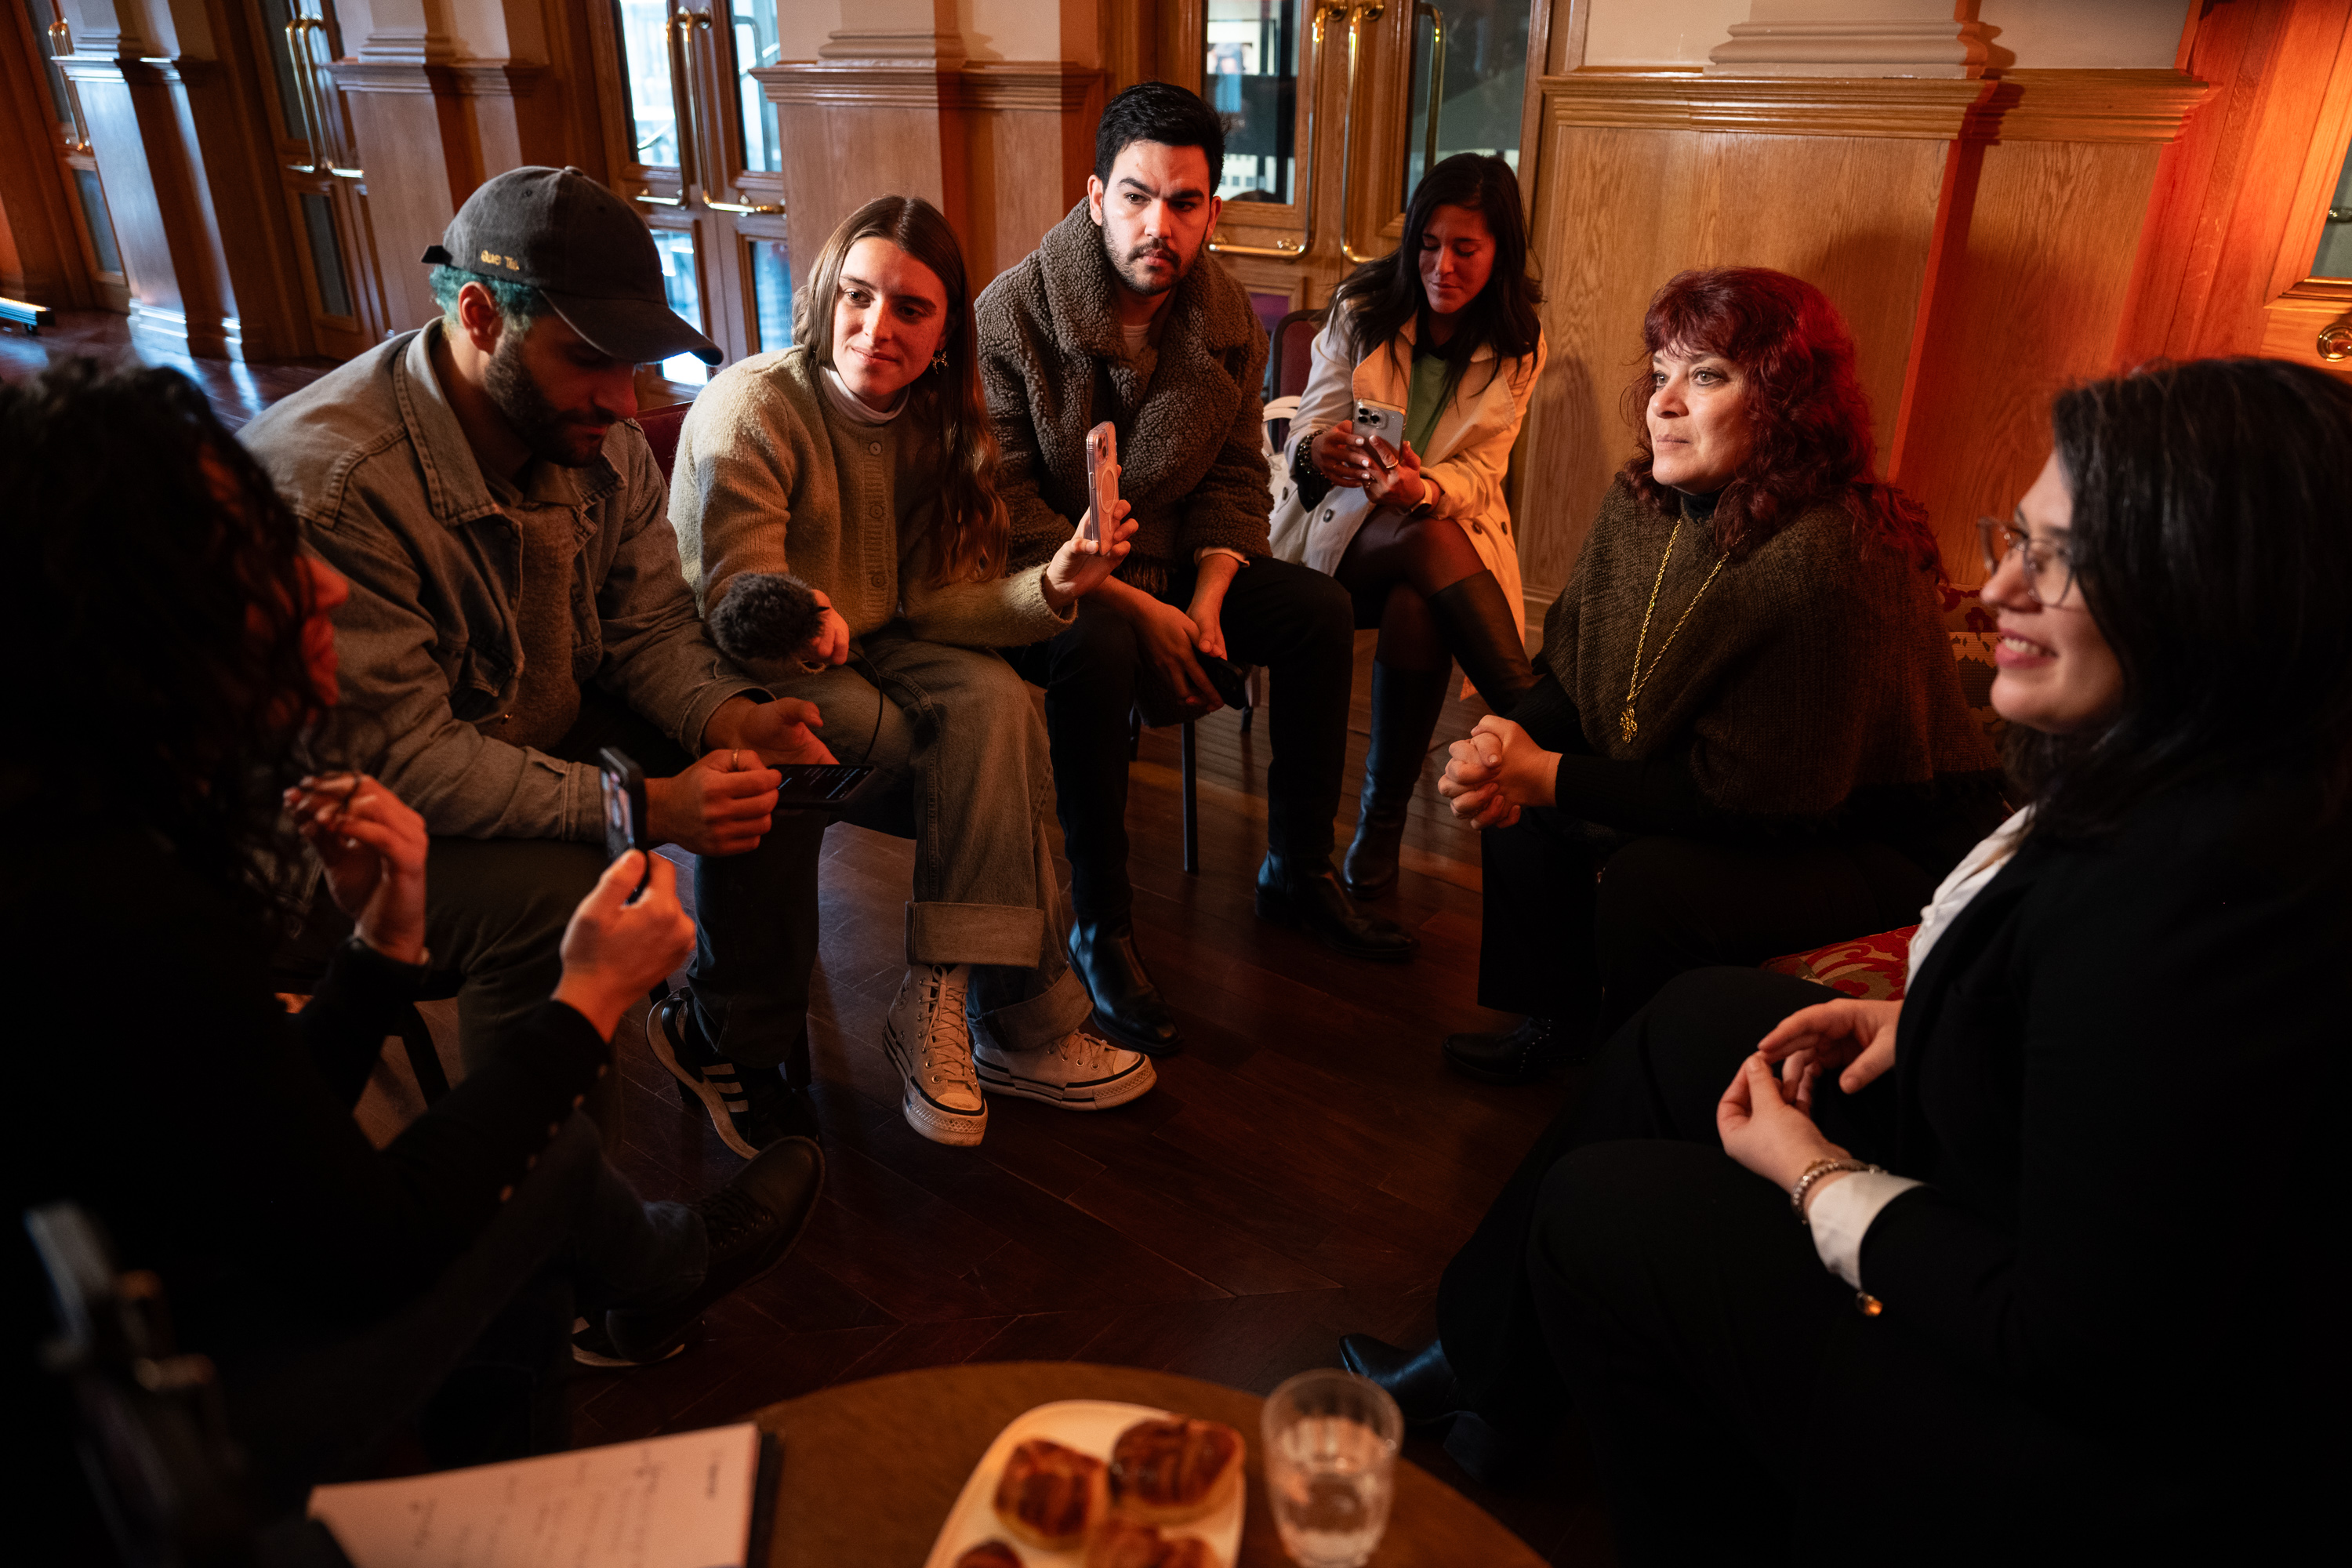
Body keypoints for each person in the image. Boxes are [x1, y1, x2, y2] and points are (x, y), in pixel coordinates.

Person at [1343, 358, 2347, 1559]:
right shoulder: (2180, 784)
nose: (1998, 589)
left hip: (2061, 1442)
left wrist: (1817, 1178)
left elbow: (2078, 1349)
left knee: (1600, 1210)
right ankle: (1485, 1369)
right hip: (2012, 1200)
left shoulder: (2192, 911)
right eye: (2013, 538)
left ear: (2216, 601)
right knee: (1692, 1019)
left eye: (2063, 557)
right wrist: (1915, 1027)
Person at [2, 361, 825, 1511]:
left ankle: (542, 1444)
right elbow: (372, 1245)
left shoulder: (79, 842)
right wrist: (588, 1003)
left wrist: (381, 949)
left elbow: (252, 1131)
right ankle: (644, 1295)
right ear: (138, 622)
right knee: (545, 1171)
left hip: (184, 1289)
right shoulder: (120, 911)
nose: (321, 592)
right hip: (160, 1443)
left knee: (519, 1159)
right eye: (254, 556)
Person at [242, 165, 835, 1159]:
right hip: (333, 844)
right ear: (479, 315)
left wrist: (725, 717)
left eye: (636, 359)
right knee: (553, 895)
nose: (623, 397)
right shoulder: (336, 491)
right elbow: (412, 766)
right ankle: (546, 1252)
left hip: (521, 730)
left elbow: (646, 626)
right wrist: (646, 808)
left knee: (766, 768)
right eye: (589, 357)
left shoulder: (595, 437)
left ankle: (726, 1038)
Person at [1434, 267, 2002, 1084]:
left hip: (1870, 840)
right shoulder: (1640, 505)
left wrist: (1550, 773)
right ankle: (1557, 1023)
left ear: (1786, 398)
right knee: (1525, 806)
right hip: (1742, 801)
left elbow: (1754, 799)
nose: (1663, 402)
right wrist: (1505, 743)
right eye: (1662, 373)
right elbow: (1573, 668)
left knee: (1650, 884)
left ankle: (1639, 1073)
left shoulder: (1831, 551)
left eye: (1706, 375)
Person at [669, 195, 1156, 1148]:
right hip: (756, 658)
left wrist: (1053, 583)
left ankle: (936, 991)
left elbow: (934, 600)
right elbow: (734, 599)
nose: (876, 328)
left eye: (909, 309)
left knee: (1003, 709)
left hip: (882, 641)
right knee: (979, 747)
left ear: (946, 331)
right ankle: (1024, 1021)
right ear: (823, 293)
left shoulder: (938, 420)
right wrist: (805, 617)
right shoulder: (756, 404)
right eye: (856, 297)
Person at [981, 82, 1416, 1059]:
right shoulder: (1012, 315)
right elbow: (1008, 517)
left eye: (1184, 203)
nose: (1158, 225)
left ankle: (1296, 869)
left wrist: (1211, 603)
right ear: (1095, 198)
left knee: (1314, 606)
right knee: (1090, 641)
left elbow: (1233, 478)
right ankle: (1101, 920)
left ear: (1213, 209)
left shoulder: (1225, 313)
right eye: (1136, 197)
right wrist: (1141, 612)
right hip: (1057, 585)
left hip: (1182, 573)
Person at [1267, 153, 1547, 898]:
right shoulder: (1364, 309)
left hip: (1433, 535)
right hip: (1334, 533)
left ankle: (1379, 828)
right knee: (1426, 543)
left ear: (1500, 252)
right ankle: (1541, 726)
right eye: (1429, 242)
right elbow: (1305, 427)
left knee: (1418, 596)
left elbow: (1483, 474)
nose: (1442, 265)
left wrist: (1422, 488)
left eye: (1466, 249)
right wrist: (1319, 448)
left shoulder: (1520, 341)